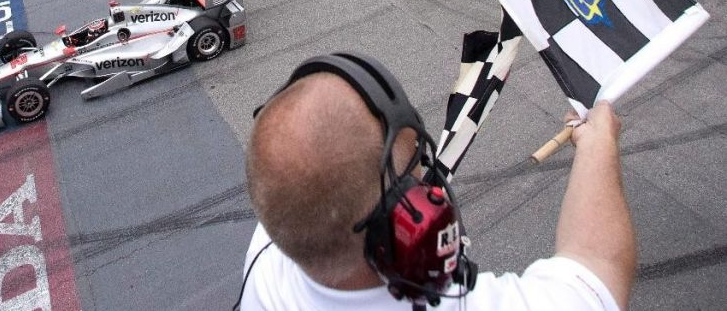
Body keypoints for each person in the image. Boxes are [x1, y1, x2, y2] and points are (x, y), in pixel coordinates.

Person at [238, 55, 636, 310]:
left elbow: (299, 172)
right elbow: (599, 268)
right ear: (400, 218)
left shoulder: (267, 256)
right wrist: (598, 143)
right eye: (415, 163)